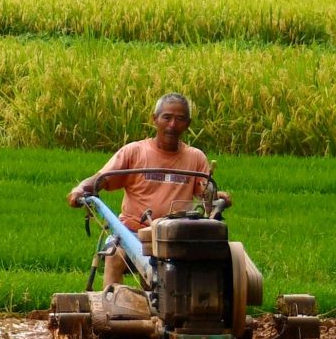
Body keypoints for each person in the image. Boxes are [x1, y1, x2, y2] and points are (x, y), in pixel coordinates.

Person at [68, 93, 228, 287]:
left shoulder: (195, 158)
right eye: (167, 117)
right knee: (114, 255)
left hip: (174, 236)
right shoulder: (134, 152)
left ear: (188, 123)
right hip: (131, 233)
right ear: (155, 119)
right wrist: (80, 189)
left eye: (180, 119)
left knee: (175, 273)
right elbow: (101, 179)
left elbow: (205, 194)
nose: (172, 125)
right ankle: (113, 309)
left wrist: (217, 198)